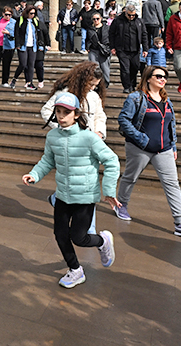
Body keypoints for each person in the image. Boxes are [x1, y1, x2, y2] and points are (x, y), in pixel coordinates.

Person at [22, 92, 121, 288]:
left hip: (84, 198)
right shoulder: (52, 136)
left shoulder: (89, 138)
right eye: (58, 112)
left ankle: (102, 241)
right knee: (60, 234)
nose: (61, 116)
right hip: (62, 196)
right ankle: (75, 270)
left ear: (76, 114)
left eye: (66, 112)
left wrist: (109, 191)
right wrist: (35, 174)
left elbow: (112, 161)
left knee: (79, 237)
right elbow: (47, 160)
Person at [114, 65, 181, 237]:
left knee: (172, 184)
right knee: (130, 177)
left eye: (165, 77)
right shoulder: (136, 98)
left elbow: (171, 125)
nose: (163, 79)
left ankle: (180, 223)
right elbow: (123, 120)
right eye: (159, 76)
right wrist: (141, 138)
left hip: (164, 149)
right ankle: (121, 205)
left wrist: (173, 146)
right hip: (140, 148)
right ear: (148, 78)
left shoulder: (166, 100)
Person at [39, 61, 108, 139]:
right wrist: (64, 128)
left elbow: (99, 115)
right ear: (83, 80)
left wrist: (99, 132)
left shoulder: (93, 95)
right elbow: (46, 110)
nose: (92, 88)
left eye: (95, 86)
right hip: (69, 139)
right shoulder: (64, 93)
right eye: (91, 84)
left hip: (89, 140)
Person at [108, 4, 145, 94]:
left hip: (135, 49)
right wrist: (112, 47)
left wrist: (145, 49)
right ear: (125, 13)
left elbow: (144, 35)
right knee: (125, 69)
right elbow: (111, 34)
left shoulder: (139, 21)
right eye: (129, 15)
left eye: (133, 15)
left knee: (135, 67)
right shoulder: (117, 21)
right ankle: (126, 86)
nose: (131, 17)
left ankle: (132, 85)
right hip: (122, 49)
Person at [10, 5, 44, 90]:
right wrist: (17, 44)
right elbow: (16, 33)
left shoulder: (35, 21)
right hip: (22, 46)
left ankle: (29, 82)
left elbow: (39, 33)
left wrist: (40, 44)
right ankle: (14, 79)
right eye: (31, 13)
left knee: (31, 65)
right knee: (23, 64)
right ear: (27, 13)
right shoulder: (21, 20)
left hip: (33, 46)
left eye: (34, 13)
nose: (33, 15)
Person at [84, 12, 111, 85]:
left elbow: (111, 38)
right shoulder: (90, 29)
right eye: (94, 19)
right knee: (94, 68)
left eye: (97, 19)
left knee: (105, 68)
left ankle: (106, 82)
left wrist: (110, 47)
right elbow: (87, 39)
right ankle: (96, 83)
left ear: (101, 19)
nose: (96, 20)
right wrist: (87, 47)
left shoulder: (106, 28)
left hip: (104, 49)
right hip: (93, 50)